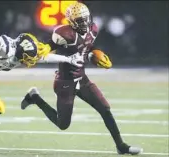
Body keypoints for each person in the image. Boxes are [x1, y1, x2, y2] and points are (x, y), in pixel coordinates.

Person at [21, 2, 143, 155]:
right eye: (80, 20)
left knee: (105, 109)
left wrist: (97, 54)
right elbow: (49, 47)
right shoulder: (64, 34)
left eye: (86, 19)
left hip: (82, 78)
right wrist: (44, 49)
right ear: (71, 21)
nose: (84, 23)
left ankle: (121, 145)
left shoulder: (93, 29)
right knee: (63, 124)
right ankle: (35, 97)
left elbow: (88, 47)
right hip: (65, 82)